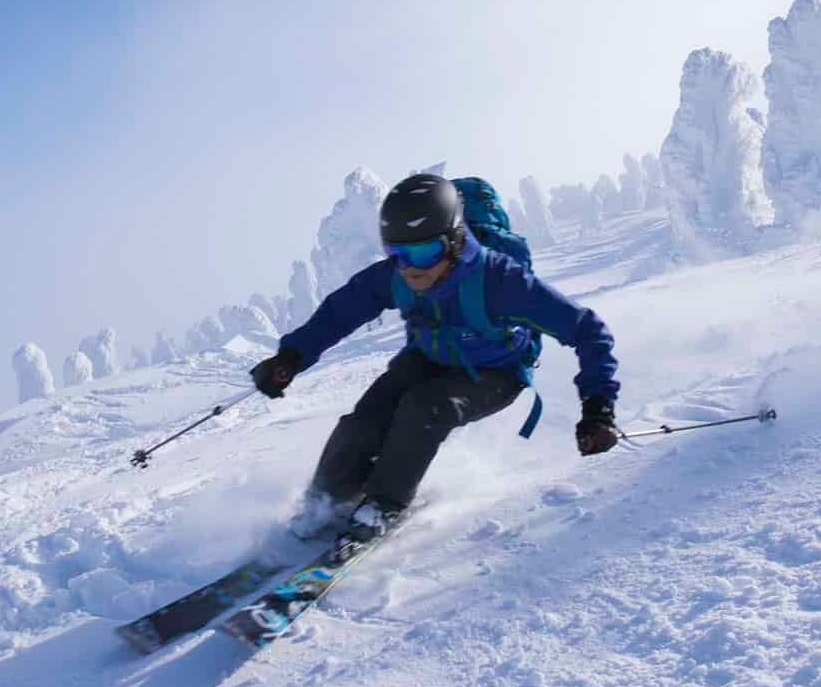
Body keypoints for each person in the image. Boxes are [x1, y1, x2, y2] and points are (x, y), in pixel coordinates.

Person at [250, 173, 620, 538]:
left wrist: (598, 406)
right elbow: (342, 311)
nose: (410, 267)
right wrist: (291, 357)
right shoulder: (396, 275)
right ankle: (324, 502)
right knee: (365, 419)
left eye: (424, 252)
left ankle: (383, 504)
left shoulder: (500, 281)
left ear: (455, 241)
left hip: (496, 371)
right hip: (428, 357)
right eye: (398, 253)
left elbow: (587, 329)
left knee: (426, 407)